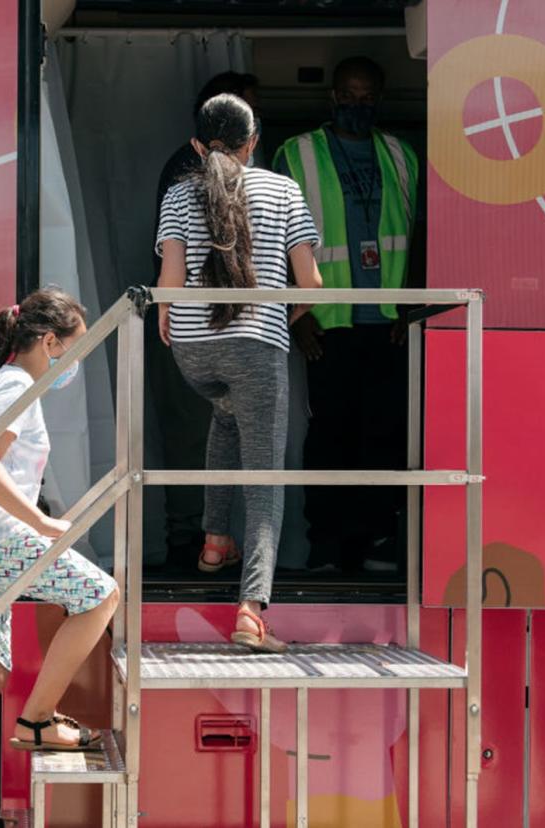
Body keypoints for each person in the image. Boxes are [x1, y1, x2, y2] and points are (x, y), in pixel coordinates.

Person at [0, 287, 120, 828]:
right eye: (72, 352)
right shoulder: (17, 385)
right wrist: (41, 522)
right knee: (102, 595)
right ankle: (36, 719)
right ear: (50, 341)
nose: (72, 365)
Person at [157, 93, 322, 652]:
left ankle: (213, 538)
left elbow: (170, 285)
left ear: (198, 146)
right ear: (256, 142)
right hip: (255, 347)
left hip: (191, 352)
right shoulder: (284, 190)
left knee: (225, 412)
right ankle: (251, 610)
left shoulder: (180, 192)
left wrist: (170, 317)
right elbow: (312, 284)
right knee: (265, 481)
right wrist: (280, 314)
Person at [271, 56, 422, 574]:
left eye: (367, 97)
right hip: (326, 322)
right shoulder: (297, 153)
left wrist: (414, 308)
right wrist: (299, 313)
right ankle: (327, 544)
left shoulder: (403, 155)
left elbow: (420, 239)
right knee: (330, 432)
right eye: (348, 96)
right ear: (331, 98)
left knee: (384, 431)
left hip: (389, 323)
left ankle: (374, 539)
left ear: (380, 98)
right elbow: (276, 242)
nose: (358, 106)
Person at [149, 71, 260, 574]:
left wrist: (168, 312)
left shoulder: (185, 174)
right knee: (220, 436)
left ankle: (208, 541)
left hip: (188, 328)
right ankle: (208, 546)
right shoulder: (200, 177)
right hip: (235, 329)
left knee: (211, 431)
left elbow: (171, 270)